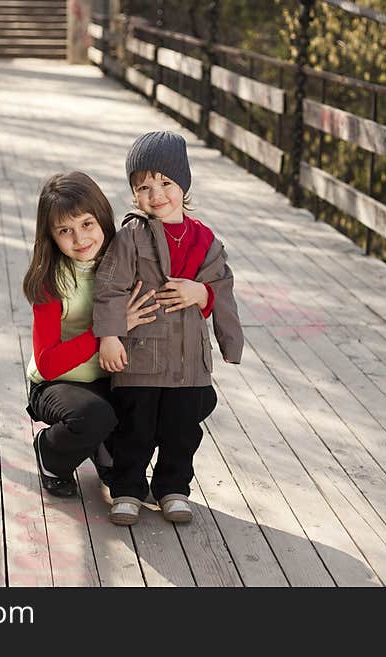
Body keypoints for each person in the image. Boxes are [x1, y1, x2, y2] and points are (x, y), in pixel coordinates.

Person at [93, 131, 244, 525]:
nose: (156, 194)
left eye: (166, 183)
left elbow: (221, 289)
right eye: (144, 187)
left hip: (189, 361)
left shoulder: (205, 241)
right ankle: (127, 488)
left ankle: (173, 488)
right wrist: (109, 336)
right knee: (136, 428)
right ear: (134, 195)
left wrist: (202, 295)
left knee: (182, 431)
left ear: (183, 186)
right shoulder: (130, 238)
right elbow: (109, 288)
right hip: (141, 357)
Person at [23, 171, 159, 498]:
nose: (80, 238)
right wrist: (108, 327)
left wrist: (203, 292)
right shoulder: (50, 281)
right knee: (93, 416)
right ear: (51, 237)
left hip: (111, 379)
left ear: (102, 218)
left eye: (87, 224)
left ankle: (106, 451)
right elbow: (49, 364)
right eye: (65, 230)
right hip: (58, 384)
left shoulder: (125, 262)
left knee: (156, 403)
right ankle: (51, 454)